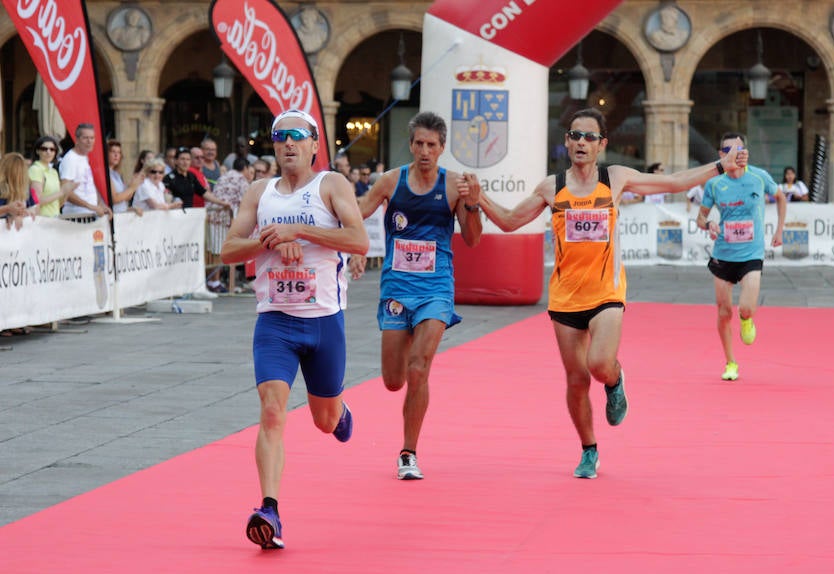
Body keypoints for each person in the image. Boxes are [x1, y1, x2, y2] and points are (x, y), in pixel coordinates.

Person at [471, 108, 742, 479]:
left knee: (598, 364)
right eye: (575, 136)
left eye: (589, 137)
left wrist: (719, 166)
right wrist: (478, 197)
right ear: (566, 142)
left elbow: (675, 182)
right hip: (565, 298)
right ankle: (588, 449)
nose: (581, 142)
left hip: (606, 292)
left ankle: (615, 381)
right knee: (576, 381)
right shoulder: (551, 187)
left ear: (602, 145)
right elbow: (509, 220)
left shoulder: (614, 178)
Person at [220, 109, 368, 550]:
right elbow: (228, 250)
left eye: (297, 137)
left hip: (324, 321)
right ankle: (270, 510)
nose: (288, 144)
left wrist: (300, 230)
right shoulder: (259, 192)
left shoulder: (332, 186)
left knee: (324, 420)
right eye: (281, 137)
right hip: (275, 322)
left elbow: (359, 240)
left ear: (314, 145)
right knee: (271, 411)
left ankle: (339, 413)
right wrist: (268, 238)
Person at [354, 111, 482, 481]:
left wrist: (472, 204)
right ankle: (408, 419)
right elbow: (356, 214)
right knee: (393, 380)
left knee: (418, 367)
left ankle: (408, 452)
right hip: (396, 289)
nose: (425, 151)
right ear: (410, 145)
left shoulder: (455, 185)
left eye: (432, 145)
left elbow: (473, 239)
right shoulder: (391, 182)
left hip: (436, 288)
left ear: (442, 148)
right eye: (419, 144)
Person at [696, 132, 786, 382]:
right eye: (728, 150)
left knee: (745, 307)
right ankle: (730, 362)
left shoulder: (759, 177)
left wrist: (779, 230)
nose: (735, 154)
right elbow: (700, 217)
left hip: (751, 253)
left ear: (745, 152)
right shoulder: (715, 183)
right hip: (723, 254)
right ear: (721, 154)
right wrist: (709, 223)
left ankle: (747, 319)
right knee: (724, 312)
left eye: (739, 149)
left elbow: (780, 198)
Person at [206, 157, 253, 293]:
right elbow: (247, 200)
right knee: (219, 251)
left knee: (213, 251)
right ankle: (215, 281)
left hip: (212, 215)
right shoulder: (241, 180)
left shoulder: (224, 176)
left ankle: (214, 281)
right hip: (224, 218)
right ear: (244, 168)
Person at [59, 123, 112, 218]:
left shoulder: (85, 157)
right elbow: (65, 191)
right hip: (76, 215)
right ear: (77, 140)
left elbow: (90, 184)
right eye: (85, 138)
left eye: (92, 138)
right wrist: (91, 206)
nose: (89, 141)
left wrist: (100, 204)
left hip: (90, 213)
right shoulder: (70, 159)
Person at [28, 136, 74, 217]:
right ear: (37, 151)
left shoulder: (53, 172)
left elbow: (57, 204)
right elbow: (36, 202)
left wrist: (67, 191)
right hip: (42, 221)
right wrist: (62, 192)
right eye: (44, 149)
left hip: (54, 219)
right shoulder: (35, 170)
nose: (48, 152)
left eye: (52, 149)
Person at [108, 139, 144, 215]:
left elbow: (126, 197)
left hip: (121, 214)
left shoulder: (116, 174)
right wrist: (132, 187)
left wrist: (135, 183)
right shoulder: (105, 173)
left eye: (119, 152)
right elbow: (115, 199)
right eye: (113, 152)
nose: (116, 155)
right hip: (112, 217)